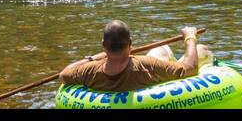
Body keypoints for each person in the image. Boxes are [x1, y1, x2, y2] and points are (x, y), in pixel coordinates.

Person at [57, 21, 207, 92]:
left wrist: (93, 58)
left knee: (159, 50)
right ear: (130, 43)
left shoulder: (89, 71)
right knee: (200, 49)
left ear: (104, 45)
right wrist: (190, 37)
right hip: (153, 74)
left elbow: (64, 75)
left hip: (103, 60)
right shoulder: (145, 65)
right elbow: (189, 69)